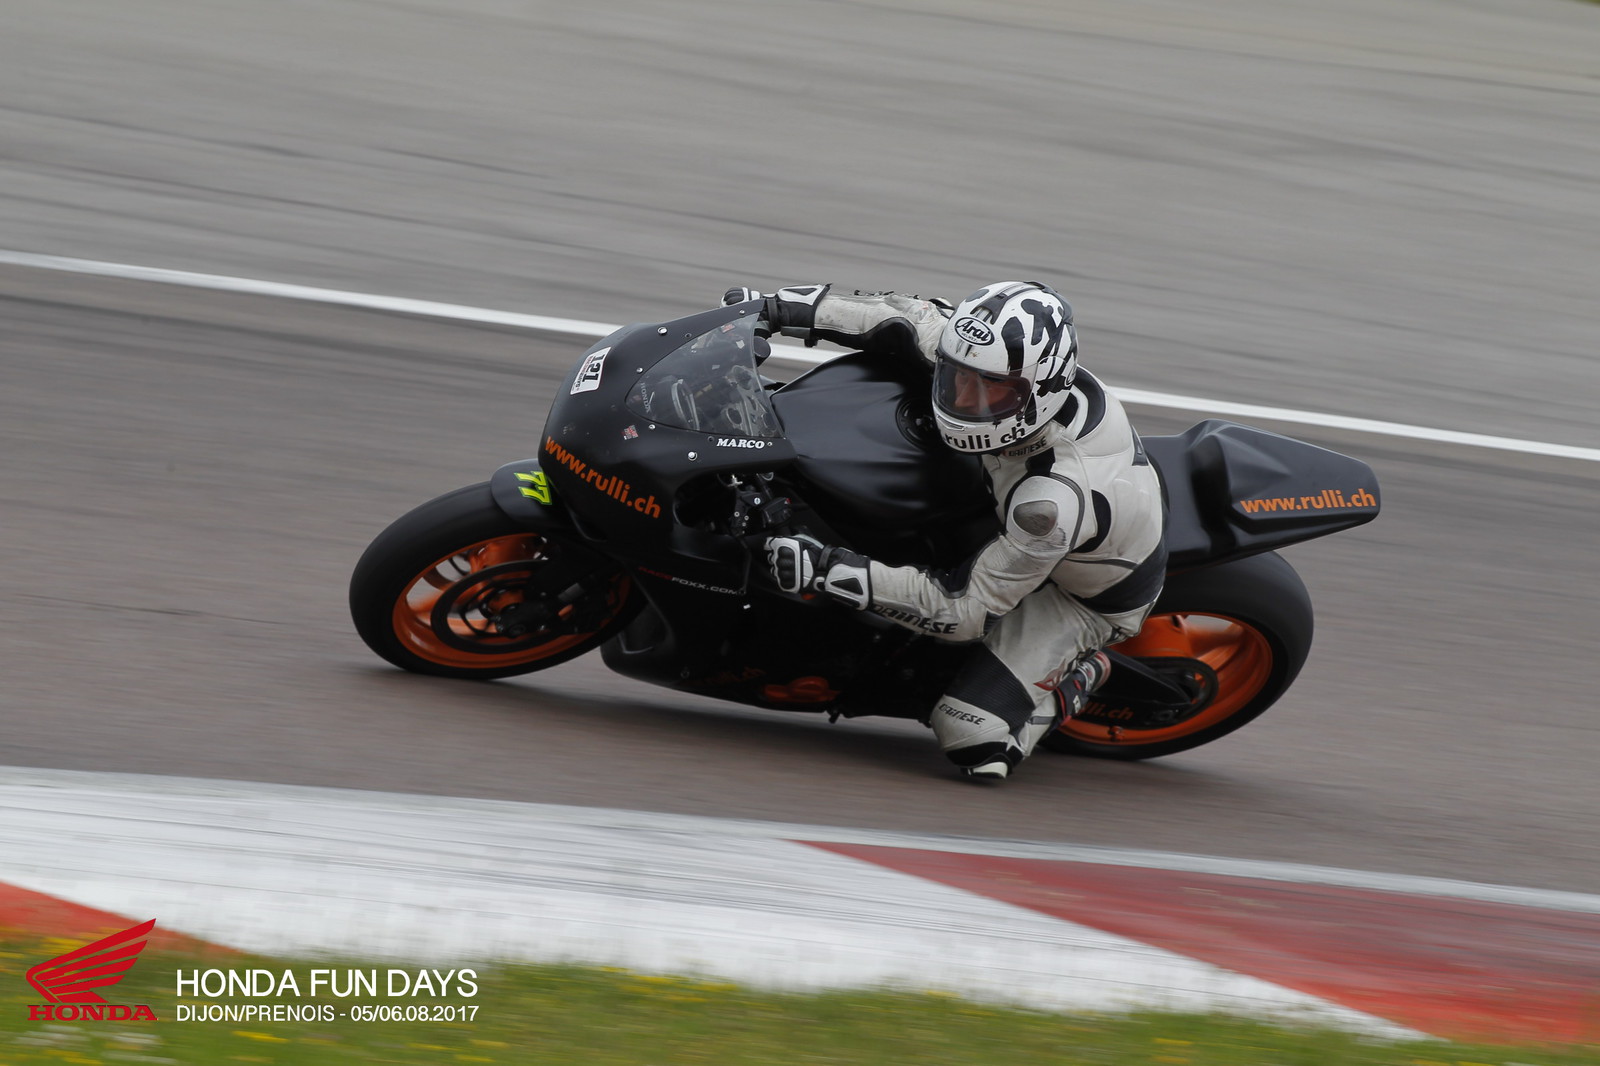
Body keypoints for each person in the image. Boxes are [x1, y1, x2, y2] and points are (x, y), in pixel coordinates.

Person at [728, 282, 1167, 780]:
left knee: (972, 738)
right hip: (1022, 501)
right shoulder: (993, 359)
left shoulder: (1048, 505)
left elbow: (965, 611)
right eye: (958, 376)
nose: (963, 399)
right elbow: (898, 316)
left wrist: (828, 569)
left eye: (991, 391)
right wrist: (771, 308)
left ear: (1041, 392)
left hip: (1083, 595)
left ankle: (1079, 673)